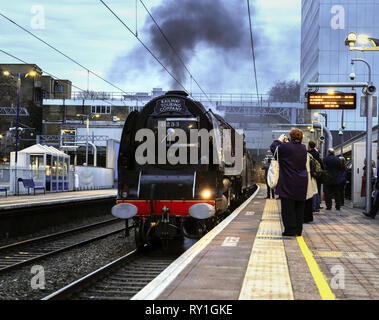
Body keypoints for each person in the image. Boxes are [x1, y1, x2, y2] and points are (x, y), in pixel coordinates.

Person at [270, 128, 308, 236]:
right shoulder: (303, 148)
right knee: (299, 208)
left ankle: (290, 230)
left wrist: (279, 140)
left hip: (288, 181)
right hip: (302, 181)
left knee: (288, 208)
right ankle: (298, 230)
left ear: (291, 136)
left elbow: (274, 148)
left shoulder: (286, 147)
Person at [307, 141, 323, 212]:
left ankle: (313, 206)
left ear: (309, 146)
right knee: (317, 190)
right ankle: (317, 205)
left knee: (312, 190)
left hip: (311, 173)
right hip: (317, 173)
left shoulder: (308, 153)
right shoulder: (317, 153)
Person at [304, 153, 319, 223]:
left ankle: (306, 217)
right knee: (310, 196)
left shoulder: (305, 155)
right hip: (310, 178)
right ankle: (309, 216)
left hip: (306, 178)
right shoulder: (310, 155)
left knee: (307, 198)